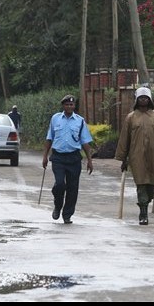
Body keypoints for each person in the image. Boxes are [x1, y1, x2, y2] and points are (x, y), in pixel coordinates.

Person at [114, 87, 154, 225]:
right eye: (141, 98)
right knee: (141, 184)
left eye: (145, 98)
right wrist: (124, 159)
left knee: (151, 185)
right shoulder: (131, 117)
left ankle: (146, 202)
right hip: (137, 156)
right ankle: (143, 212)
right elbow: (125, 139)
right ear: (137, 100)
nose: (143, 100)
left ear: (149, 100)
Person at [42, 95, 94, 224]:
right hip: (58, 157)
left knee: (72, 188)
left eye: (72, 105)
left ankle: (67, 215)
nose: (69, 107)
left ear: (74, 106)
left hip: (74, 158)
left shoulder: (80, 121)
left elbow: (85, 142)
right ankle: (57, 206)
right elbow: (49, 138)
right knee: (59, 184)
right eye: (67, 105)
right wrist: (45, 156)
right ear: (63, 106)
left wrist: (89, 160)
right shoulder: (55, 119)